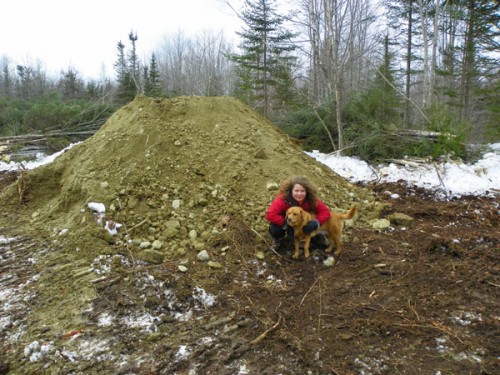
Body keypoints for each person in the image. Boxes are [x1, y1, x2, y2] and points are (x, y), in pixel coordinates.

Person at [265, 176, 331, 251]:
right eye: (296, 191)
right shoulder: (283, 199)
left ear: (307, 191)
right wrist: (285, 223)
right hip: (286, 220)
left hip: (302, 222)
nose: (299, 194)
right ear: (291, 190)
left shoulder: (311, 199)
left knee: (315, 219)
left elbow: (325, 212)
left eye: (302, 191)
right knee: (275, 229)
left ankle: (316, 236)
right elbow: (270, 214)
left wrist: (316, 222)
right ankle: (278, 241)